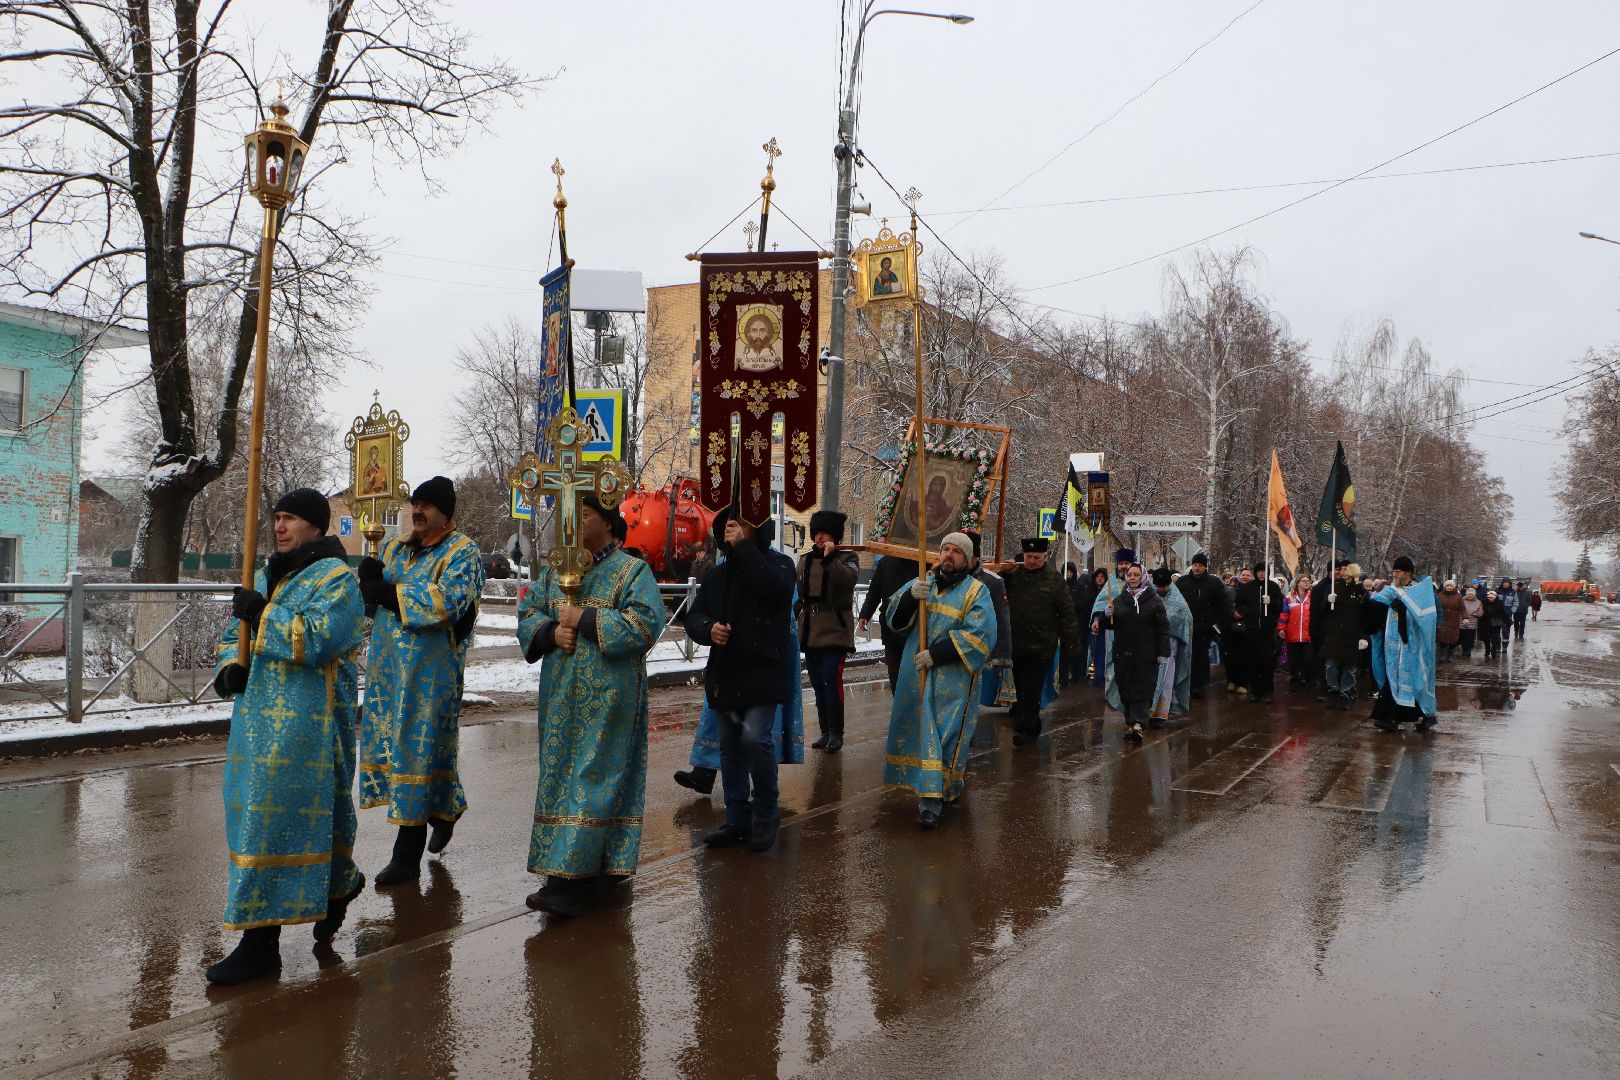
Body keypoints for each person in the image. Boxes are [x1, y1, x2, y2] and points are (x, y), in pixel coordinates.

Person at [206, 488, 364, 984]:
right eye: (276, 517)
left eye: (290, 518)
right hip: (255, 725)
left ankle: (260, 946)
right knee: (256, 821)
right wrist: (231, 666)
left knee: (278, 825)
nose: (279, 527)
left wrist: (263, 615)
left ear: (316, 525)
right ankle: (338, 885)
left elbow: (320, 639)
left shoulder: (337, 579)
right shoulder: (266, 575)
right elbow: (232, 637)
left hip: (308, 726)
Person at [516, 496, 664, 918]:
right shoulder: (554, 571)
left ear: (608, 523)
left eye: (583, 515)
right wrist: (548, 633)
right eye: (570, 515)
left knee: (593, 780)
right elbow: (528, 612)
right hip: (560, 698)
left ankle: (567, 883)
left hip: (609, 703)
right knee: (558, 776)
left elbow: (644, 625)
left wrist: (582, 619)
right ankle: (593, 866)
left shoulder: (631, 571)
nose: (574, 522)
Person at [357, 476, 485, 886]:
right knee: (410, 752)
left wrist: (386, 592)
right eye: (415, 503)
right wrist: (367, 583)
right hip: (389, 674)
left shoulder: (463, 552)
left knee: (419, 751)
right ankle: (446, 810)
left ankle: (406, 855)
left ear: (446, 514)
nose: (417, 511)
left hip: (431, 675)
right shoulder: (395, 548)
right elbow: (375, 604)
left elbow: (448, 603)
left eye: (427, 505)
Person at [683, 507, 797, 853]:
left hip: (764, 671)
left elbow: (773, 588)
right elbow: (695, 615)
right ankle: (736, 819)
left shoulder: (780, 564)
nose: (734, 529)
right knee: (731, 748)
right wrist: (709, 629)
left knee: (755, 739)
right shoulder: (719, 574)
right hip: (727, 673)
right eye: (730, 525)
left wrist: (744, 548)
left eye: (743, 524)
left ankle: (766, 815)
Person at [881, 532, 995, 828]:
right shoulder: (923, 583)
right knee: (920, 734)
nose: (949, 555)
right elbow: (893, 620)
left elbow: (980, 635)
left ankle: (933, 800)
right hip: (916, 673)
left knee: (945, 736)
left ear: (967, 559)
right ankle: (930, 792)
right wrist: (910, 597)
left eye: (957, 551)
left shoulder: (976, 592)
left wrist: (937, 653)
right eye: (945, 549)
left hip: (953, 678)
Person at [1000, 537, 1079, 745]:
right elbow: (997, 590)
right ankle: (1032, 725)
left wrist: (1071, 644)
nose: (1032, 561)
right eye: (1028, 557)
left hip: (1042, 645)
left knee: (1032, 688)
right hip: (1017, 643)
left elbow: (1067, 614)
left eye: (1036, 557)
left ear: (1044, 556)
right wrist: (1005, 573)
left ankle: (1024, 731)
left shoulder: (1055, 580)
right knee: (1021, 687)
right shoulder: (1014, 576)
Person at [797, 510, 859, 753]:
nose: (820, 538)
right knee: (817, 681)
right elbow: (801, 592)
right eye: (817, 533)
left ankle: (836, 732)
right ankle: (824, 731)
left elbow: (847, 580)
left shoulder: (848, 558)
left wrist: (831, 557)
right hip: (811, 630)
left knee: (830, 678)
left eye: (825, 533)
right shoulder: (805, 559)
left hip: (835, 630)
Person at [1094, 563, 1169, 742]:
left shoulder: (1154, 601)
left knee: (1142, 688)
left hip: (1146, 653)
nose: (1132, 578)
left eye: (1136, 574)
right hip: (1123, 652)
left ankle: (1138, 724)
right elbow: (1111, 625)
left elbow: (1163, 628)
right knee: (1125, 688)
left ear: (1143, 577)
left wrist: (1163, 651)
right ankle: (1131, 722)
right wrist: (1105, 615)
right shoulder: (1120, 600)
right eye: (1130, 575)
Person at [1369, 555, 1439, 733]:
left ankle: (1429, 715)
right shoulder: (1391, 591)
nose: (1395, 574)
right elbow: (1372, 606)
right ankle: (1390, 717)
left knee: (1417, 679)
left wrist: (1405, 609)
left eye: (1398, 571)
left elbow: (1429, 617)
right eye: (1394, 571)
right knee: (1394, 679)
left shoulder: (1421, 592)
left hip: (1415, 645)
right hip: (1394, 645)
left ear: (1409, 573)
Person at [858, 552, 919, 692]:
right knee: (895, 678)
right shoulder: (886, 562)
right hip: (891, 631)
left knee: (915, 682)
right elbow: (874, 591)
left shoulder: (923, 561)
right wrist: (865, 614)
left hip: (916, 631)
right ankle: (898, 705)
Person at [1315, 560, 1367, 710]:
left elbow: (1365, 613)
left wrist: (1363, 636)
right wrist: (1328, 601)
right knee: (1331, 665)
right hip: (1334, 633)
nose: (1343, 571)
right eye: (1342, 569)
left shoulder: (1359, 590)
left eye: (1346, 569)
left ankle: (1346, 693)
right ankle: (1333, 690)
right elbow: (1323, 610)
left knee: (1349, 667)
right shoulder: (1334, 587)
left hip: (1352, 634)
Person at [1175, 551, 1227, 699]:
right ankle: (1184, 683)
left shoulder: (1214, 583)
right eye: (1195, 565)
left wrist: (1216, 627)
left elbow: (1223, 606)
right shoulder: (1183, 582)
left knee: (1201, 656)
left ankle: (1199, 684)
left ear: (1205, 567)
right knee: (1185, 656)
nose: (1197, 568)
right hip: (1186, 626)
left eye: (1200, 566)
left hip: (1205, 628)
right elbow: (1176, 602)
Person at [1088, 548, 1135, 702]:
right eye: (1121, 563)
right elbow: (1099, 604)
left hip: (1132, 632)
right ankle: (1110, 694)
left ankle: (1127, 695)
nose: (1123, 566)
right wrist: (1097, 619)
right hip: (1112, 631)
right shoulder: (1111, 584)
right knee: (1111, 661)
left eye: (1127, 563)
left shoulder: (1139, 583)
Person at [1234, 563, 1285, 703]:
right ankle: (1255, 691)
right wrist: (1247, 612)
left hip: (1267, 630)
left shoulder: (1273, 587)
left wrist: (1271, 603)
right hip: (1252, 629)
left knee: (1266, 660)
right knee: (1253, 660)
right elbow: (1239, 603)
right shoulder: (1248, 587)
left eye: (1263, 571)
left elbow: (1280, 606)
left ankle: (1267, 690)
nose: (1261, 574)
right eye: (1259, 571)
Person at [1153, 567, 1193, 717]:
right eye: (1158, 586)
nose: (1161, 590)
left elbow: (1186, 620)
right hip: (1151, 643)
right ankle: (1150, 707)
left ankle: (1165, 707)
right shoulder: (1149, 597)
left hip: (1170, 645)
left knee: (1166, 677)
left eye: (1164, 586)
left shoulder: (1179, 602)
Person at [1282, 574, 1313, 687]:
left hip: (1308, 635)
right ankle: (1295, 680)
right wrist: (1282, 628)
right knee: (1294, 661)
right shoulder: (1289, 597)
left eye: (1308, 581)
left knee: (1308, 660)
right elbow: (1284, 614)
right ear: (1298, 583)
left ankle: (1307, 679)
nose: (1306, 582)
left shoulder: (1312, 597)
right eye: (1303, 581)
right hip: (1293, 635)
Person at [1436, 579, 1464, 660]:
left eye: (1451, 586)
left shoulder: (1458, 596)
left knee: (1453, 638)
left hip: (1454, 620)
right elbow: (1435, 606)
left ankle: (1451, 654)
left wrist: (1465, 617)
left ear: (1453, 587)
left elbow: (1463, 608)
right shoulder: (1439, 595)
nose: (1449, 587)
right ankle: (1443, 654)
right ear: (1445, 587)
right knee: (1442, 637)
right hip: (1442, 620)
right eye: (1447, 586)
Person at [1480, 589, 1507, 659]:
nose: (1490, 599)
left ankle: (1494, 651)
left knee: (1495, 638)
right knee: (1486, 638)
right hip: (1486, 623)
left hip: (1496, 624)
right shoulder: (1484, 602)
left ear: (1495, 597)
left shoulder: (1500, 602)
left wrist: (1507, 621)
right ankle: (1487, 650)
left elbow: (1503, 612)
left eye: (1491, 597)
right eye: (1489, 597)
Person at [1459, 586, 1483, 658]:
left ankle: (1468, 650)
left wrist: (1475, 614)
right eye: (1469, 594)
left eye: (1472, 594)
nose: (1470, 595)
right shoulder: (1461, 600)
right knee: (1462, 636)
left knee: (1470, 637)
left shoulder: (1478, 602)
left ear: (1474, 595)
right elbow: (1458, 609)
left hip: (1473, 622)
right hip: (1462, 621)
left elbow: (1480, 612)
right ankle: (1464, 650)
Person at [1498, 578, 1519, 649]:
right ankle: (1497, 646)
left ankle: (1505, 646)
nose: (1506, 584)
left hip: (1507, 613)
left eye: (1507, 583)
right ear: (1502, 583)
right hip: (1498, 613)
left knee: (1506, 630)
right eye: (1504, 582)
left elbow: (1516, 603)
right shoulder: (1497, 591)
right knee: (1496, 630)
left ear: (1509, 584)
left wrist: (1512, 611)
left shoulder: (1513, 592)